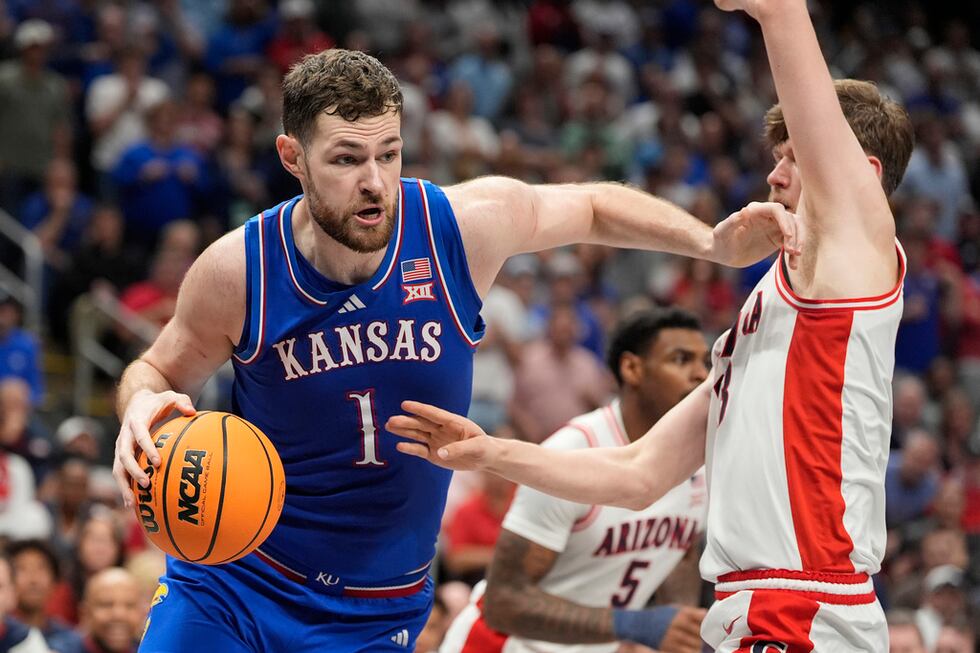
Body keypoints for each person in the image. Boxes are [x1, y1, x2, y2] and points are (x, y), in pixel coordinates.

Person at [111, 48, 800, 652]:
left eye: (388, 153)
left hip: (376, 606)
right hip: (235, 582)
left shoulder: (458, 229)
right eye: (347, 159)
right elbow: (157, 368)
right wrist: (139, 408)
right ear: (293, 157)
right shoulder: (239, 271)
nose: (374, 181)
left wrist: (710, 242)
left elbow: (590, 205)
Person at [389, 1, 916, 650]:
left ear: (858, 176)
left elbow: (787, 25)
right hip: (750, 609)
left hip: (807, 606)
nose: (774, 173)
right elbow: (637, 473)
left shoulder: (860, 260)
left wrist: (776, 14)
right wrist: (487, 451)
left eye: (794, 156)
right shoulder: (757, 323)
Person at [441, 308, 709, 653]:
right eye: (681, 360)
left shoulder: (699, 460)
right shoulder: (573, 452)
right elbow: (503, 602)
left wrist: (676, 628)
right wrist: (634, 625)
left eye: (705, 361)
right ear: (632, 369)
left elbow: (679, 554)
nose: (701, 375)